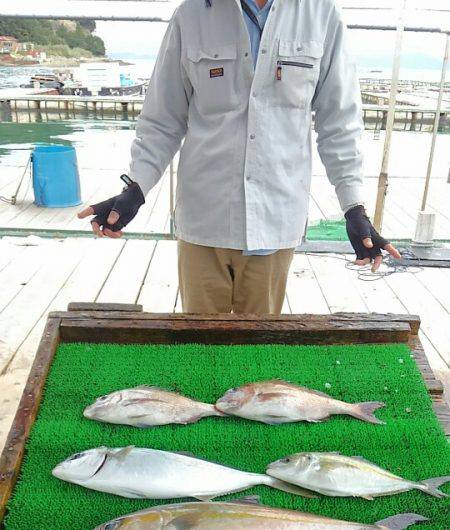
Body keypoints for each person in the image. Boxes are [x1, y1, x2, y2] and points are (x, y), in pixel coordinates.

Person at [78, 0, 400, 313]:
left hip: (275, 223)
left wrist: (353, 207)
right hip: (204, 223)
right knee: (199, 344)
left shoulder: (322, 14)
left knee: (260, 345)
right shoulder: (190, 15)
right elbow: (162, 120)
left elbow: (339, 124)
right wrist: (136, 188)